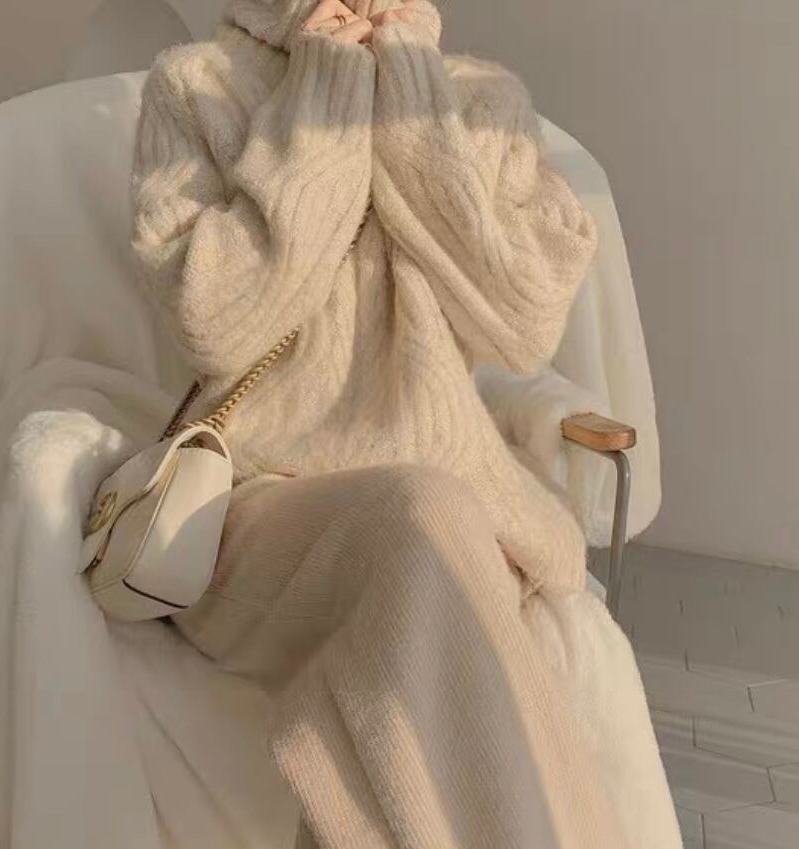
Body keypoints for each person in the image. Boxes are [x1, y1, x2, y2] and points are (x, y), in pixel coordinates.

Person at [131, 0, 624, 846]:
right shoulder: (194, 87)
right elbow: (216, 323)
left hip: (452, 502)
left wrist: (406, 101)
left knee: (429, 524)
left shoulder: (478, 99)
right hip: (263, 507)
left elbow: (523, 320)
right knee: (420, 520)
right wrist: (323, 100)